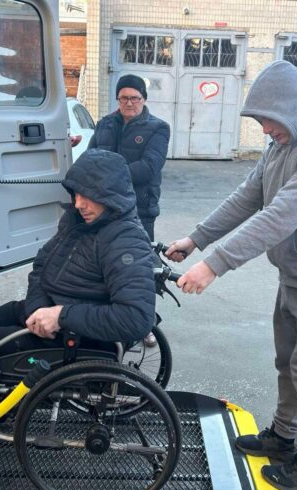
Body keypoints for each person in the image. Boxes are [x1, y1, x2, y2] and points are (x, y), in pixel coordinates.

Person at [166, 60, 297, 490]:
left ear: (291, 108)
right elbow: (248, 197)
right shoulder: (281, 146)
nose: (263, 129)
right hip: (296, 276)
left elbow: (281, 215)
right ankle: (283, 435)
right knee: (288, 362)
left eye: (268, 119)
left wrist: (214, 264)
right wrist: (196, 239)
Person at [0, 148, 156, 467]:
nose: (79, 204)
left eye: (88, 196)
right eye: (76, 194)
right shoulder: (76, 222)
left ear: (111, 196)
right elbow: (42, 266)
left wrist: (60, 316)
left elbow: (137, 319)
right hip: (40, 314)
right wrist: (38, 309)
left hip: (71, 335)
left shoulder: (125, 239)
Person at [88, 73, 170, 347]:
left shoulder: (158, 128)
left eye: (135, 98)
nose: (129, 103)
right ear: (117, 99)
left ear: (144, 99)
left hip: (139, 210)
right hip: (103, 208)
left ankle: (145, 325)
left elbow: (149, 167)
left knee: (138, 270)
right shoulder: (104, 124)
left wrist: (108, 176)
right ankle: (106, 319)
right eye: (124, 98)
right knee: (103, 266)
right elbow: (90, 157)